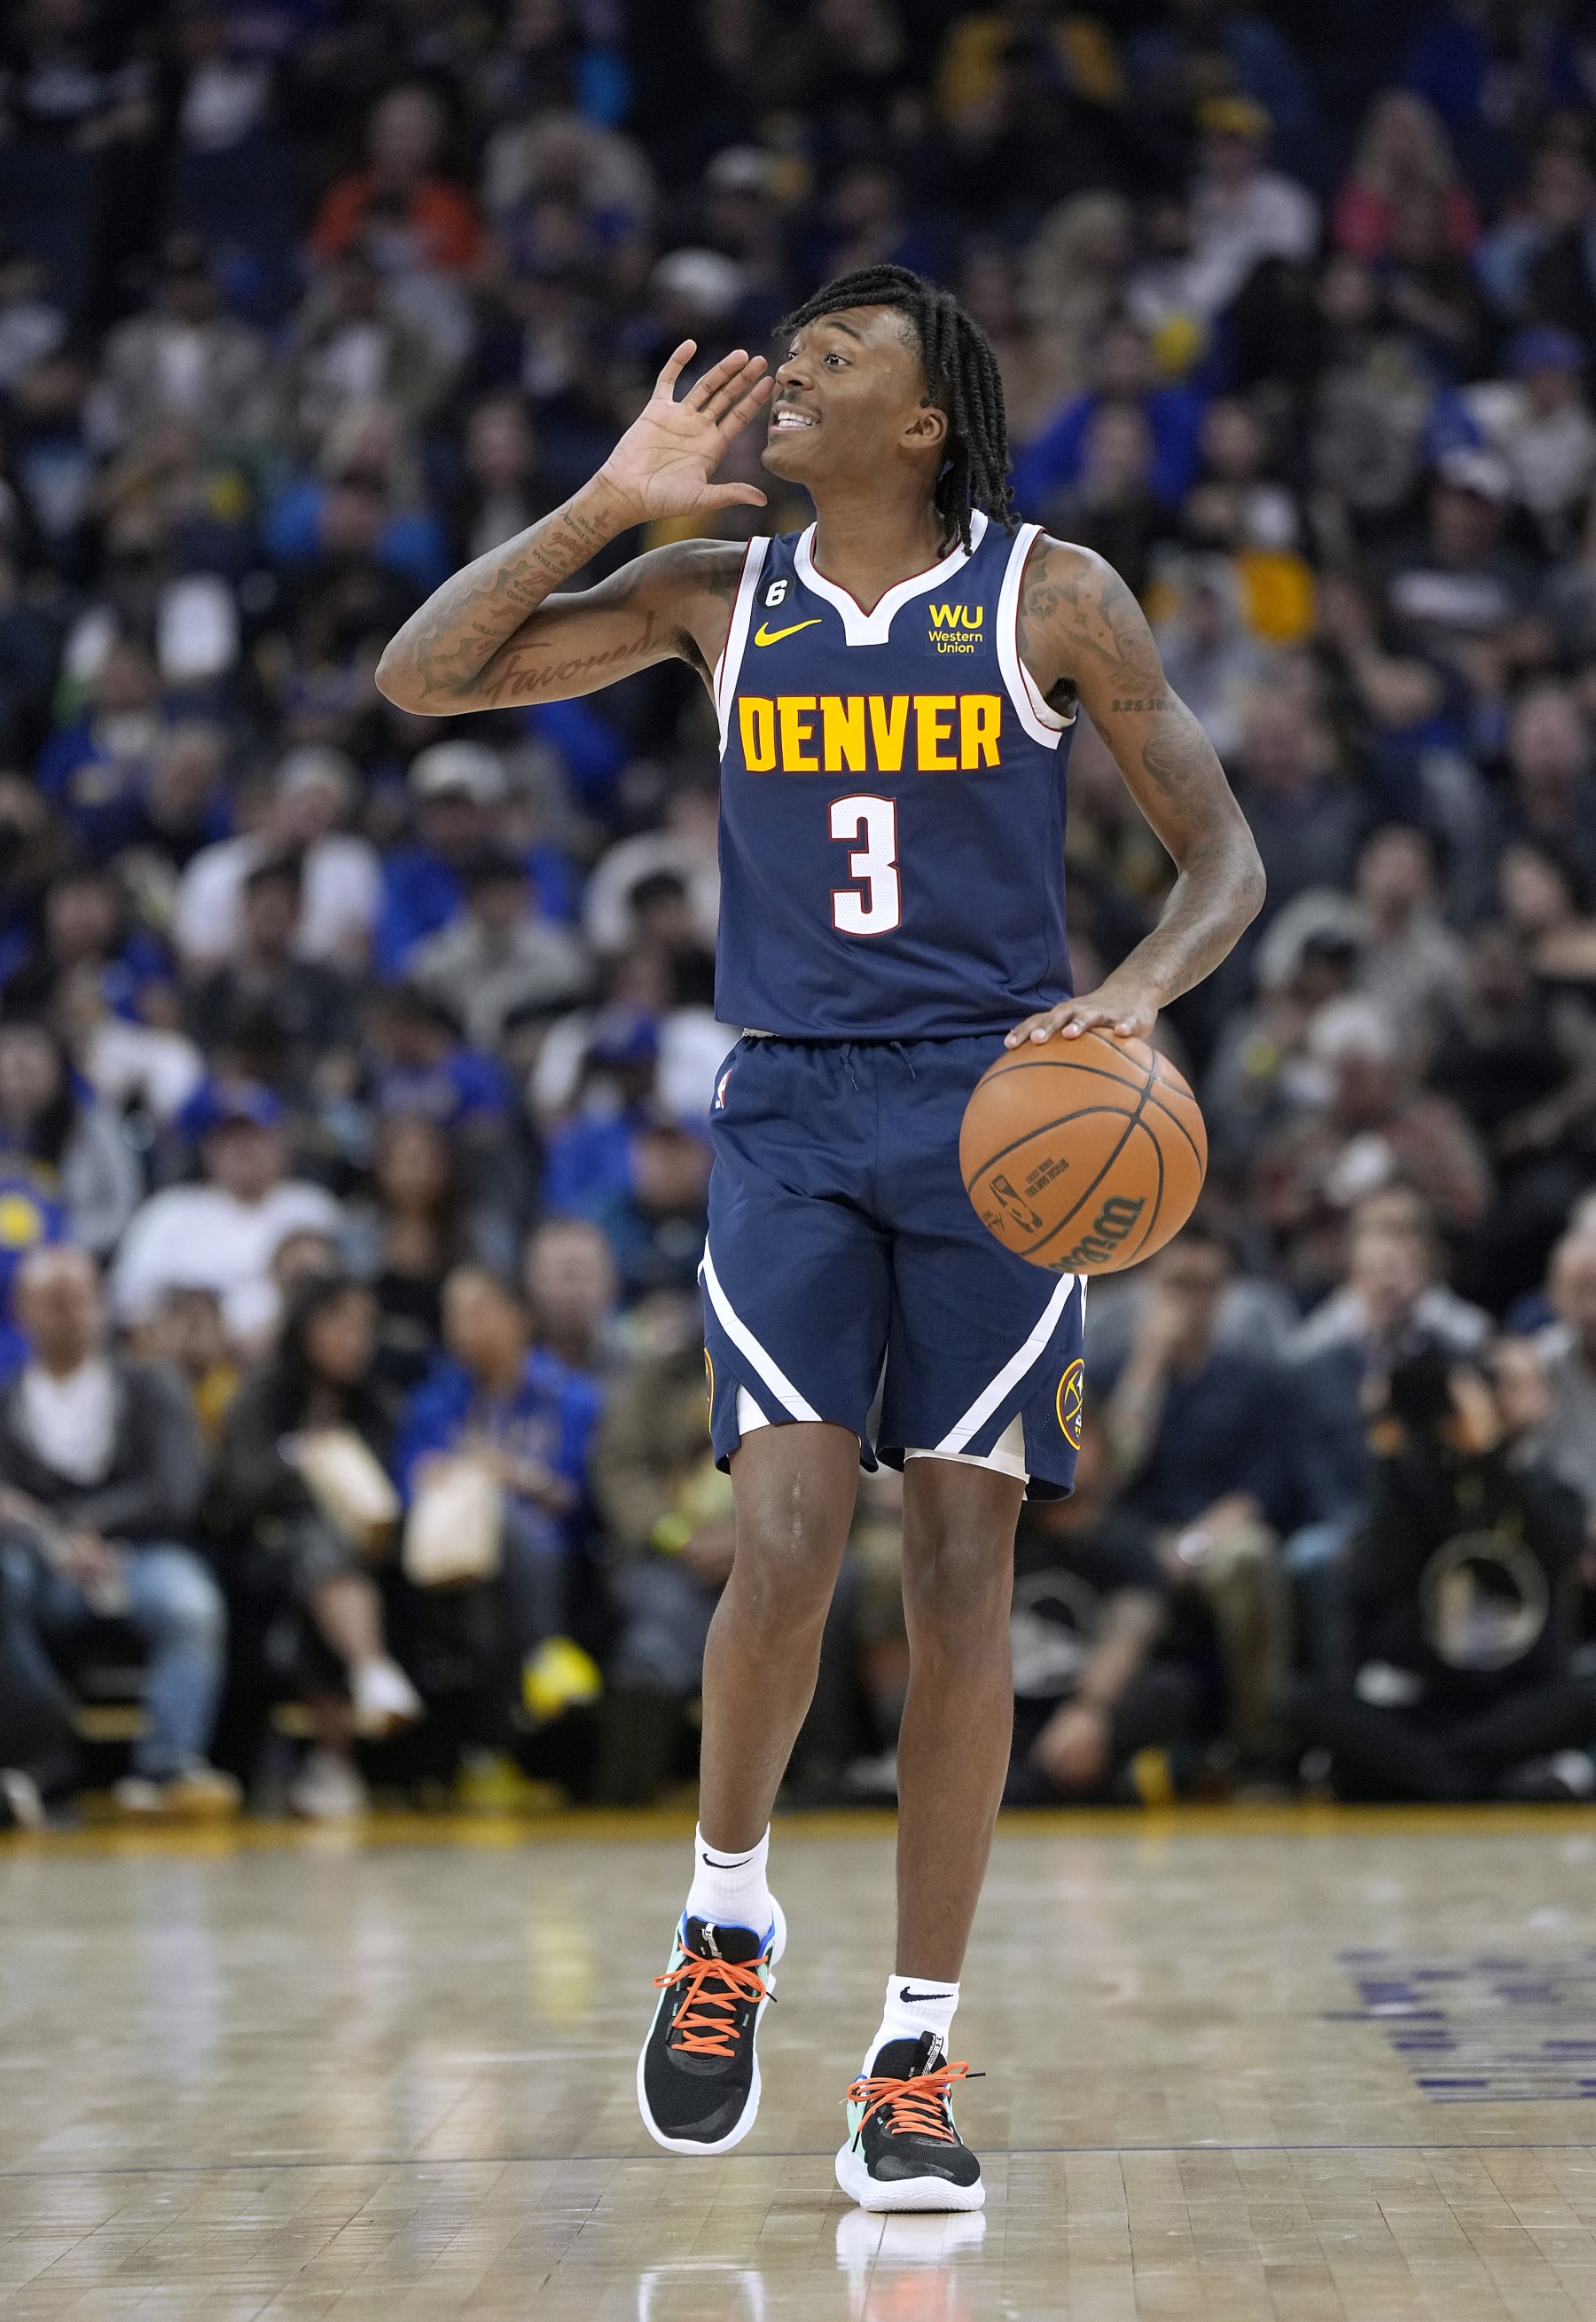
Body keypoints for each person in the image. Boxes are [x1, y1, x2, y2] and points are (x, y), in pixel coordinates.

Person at [376, 264, 1263, 2209]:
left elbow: (1224, 854)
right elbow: (423, 677)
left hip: (999, 1117)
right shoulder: (720, 595)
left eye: (835, 360)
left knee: (959, 1569)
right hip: (791, 1108)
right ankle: (726, 1916)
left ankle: (912, 2059)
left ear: (924, 422)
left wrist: (1130, 997)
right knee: (780, 1533)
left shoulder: (1052, 596)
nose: (787, 376)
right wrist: (610, 502)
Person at [0, 1245, 239, 1816]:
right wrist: (52, 1542)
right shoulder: (7, 1402)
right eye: (56, 1300)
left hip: (139, 1553)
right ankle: (42, 1755)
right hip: (41, 1563)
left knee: (190, 1605)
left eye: (82, 1297)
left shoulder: (152, 1384)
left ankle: (168, 1768)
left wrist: (79, 1527)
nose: (72, 1311)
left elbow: (175, 1489)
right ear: (22, 1311)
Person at [208, 1271, 422, 1819]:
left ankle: (342, 1746)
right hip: (262, 1550)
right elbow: (239, 1491)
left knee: (326, 1560)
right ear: (306, 1328)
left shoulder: (377, 1404)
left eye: (365, 1329)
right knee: (312, 1550)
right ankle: (366, 1679)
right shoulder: (258, 1397)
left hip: (364, 1554)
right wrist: (306, 1464)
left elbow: (393, 1491)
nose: (356, 1341)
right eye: (342, 1327)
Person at [109, 1082, 342, 1353]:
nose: (244, 1148)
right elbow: (126, 1302)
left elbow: (342, 1301)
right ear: (209, 1148)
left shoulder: (313, 1209)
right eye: (230, 1138)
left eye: (255, 1136)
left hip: (287, 1360)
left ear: (282, 1143)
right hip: (187, 1361)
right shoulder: (169, 1213)